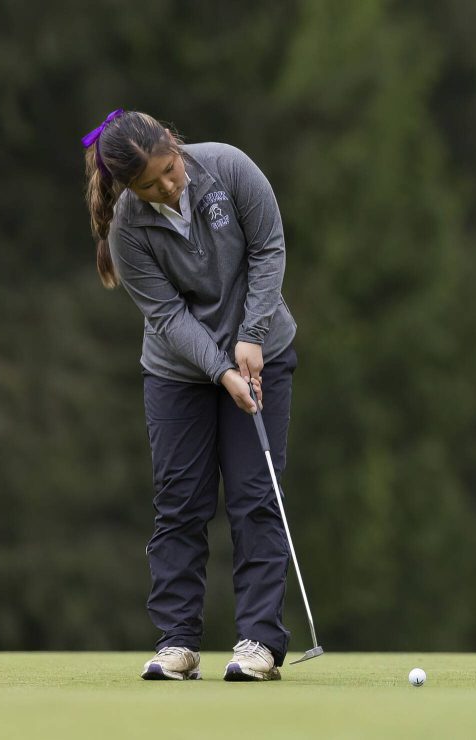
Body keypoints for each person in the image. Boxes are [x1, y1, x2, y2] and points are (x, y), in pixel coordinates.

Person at [81, 109, 298, 681]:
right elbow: (168, 317)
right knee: (180, 502)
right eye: (151, 184)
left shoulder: (229, 167)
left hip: (262, 355)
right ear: (127, 187)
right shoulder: (127, 227)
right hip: (178, 373)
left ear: (175, 145)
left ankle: (259, 642)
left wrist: (251, 336)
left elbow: (269, 249)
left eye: (170, 170)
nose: (168, 186)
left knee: (255, 496)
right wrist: (221, 370)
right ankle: (177, 642)